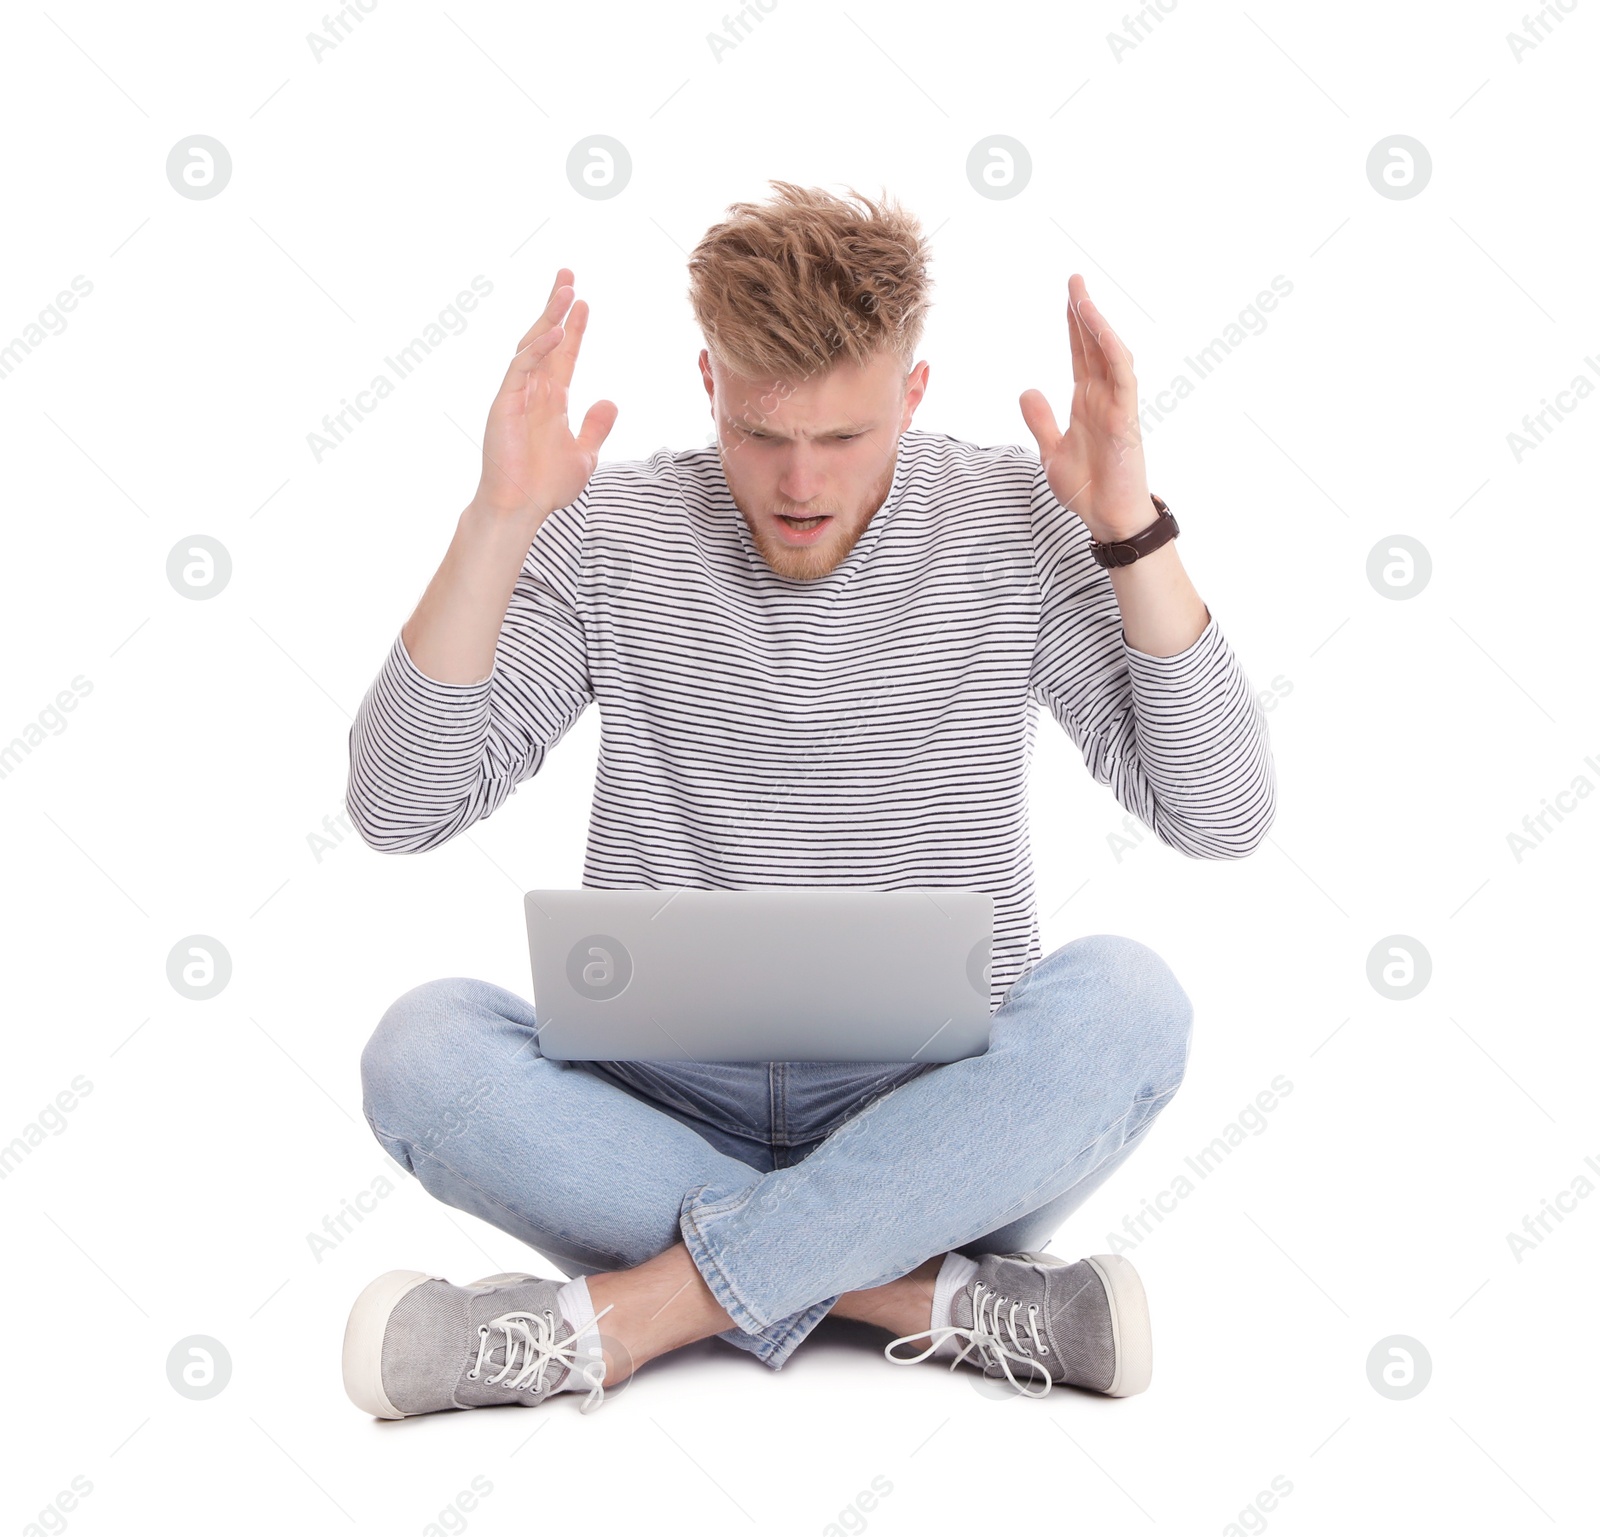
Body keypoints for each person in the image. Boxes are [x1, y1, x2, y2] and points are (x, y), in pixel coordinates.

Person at [339, 180, 1276, 1421]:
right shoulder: (603, 531)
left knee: (1130, 1005)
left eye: (844, 438)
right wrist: (498, 519)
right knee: (421, 1050)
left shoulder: (1015, 522)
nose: (798, 482)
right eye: (761, 433)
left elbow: (1220, 813)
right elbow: (402, 806)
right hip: (653, 1104)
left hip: (937, 1109)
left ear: (913, 394)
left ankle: (625, 1320)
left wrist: (1127, 529)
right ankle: (918, 1295)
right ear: (709, 384)